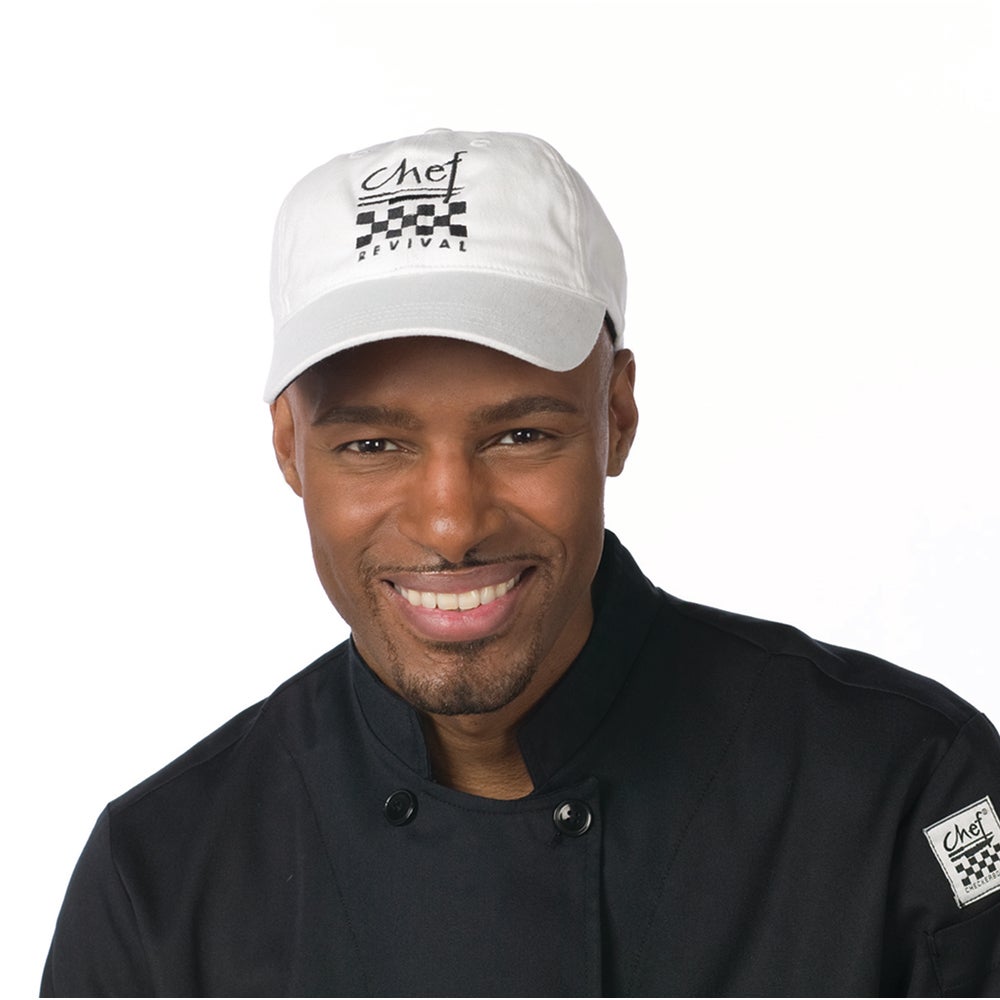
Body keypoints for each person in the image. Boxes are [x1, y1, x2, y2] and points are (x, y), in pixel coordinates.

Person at [42, 129, 1000, 997]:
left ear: (616, 414)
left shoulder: (906, 796)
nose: (451, 523)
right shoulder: (161, 882)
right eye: (372, 445)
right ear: (289, 448)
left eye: (521, 435)